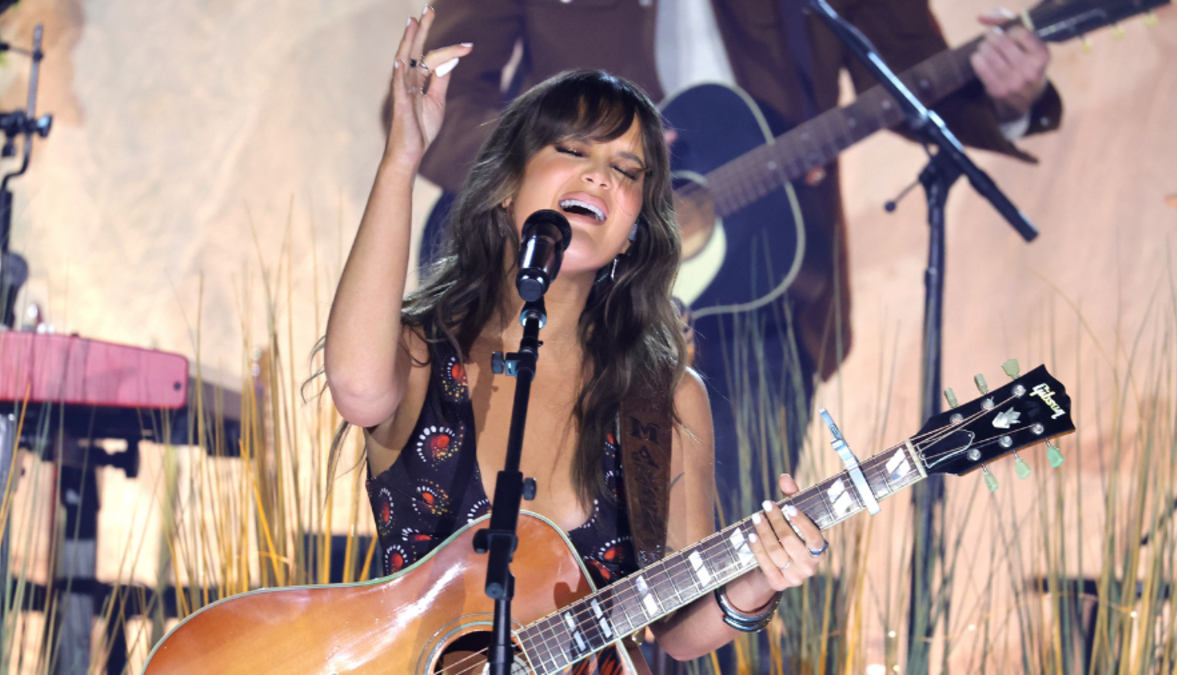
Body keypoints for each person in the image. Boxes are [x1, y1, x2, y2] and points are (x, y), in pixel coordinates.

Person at [395, 0, 1062, 530]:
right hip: (578, 303)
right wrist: (569, 171)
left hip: (769, 298)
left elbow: (909, 73)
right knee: (562, 545)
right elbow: (444, 99)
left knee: (730, 552)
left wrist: (1007, 99)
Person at [323, 9, 827, 672]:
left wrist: (760, 578)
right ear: (506, 184)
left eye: (628, 169)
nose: (601, 176)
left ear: (634, 229)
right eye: (573, 150)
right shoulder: (423, 354)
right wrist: (402, 158)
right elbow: (357, 387)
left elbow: (677, 631)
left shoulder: (667, 397)